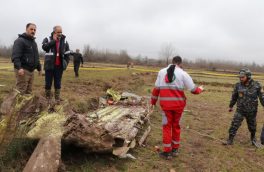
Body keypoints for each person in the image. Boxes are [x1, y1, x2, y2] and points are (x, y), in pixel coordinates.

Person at [151, 56, 204, 159]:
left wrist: (153, 102)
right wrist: (201, 89)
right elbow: (194, 90)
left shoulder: (161, 72)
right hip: (179, 106)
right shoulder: (183, 74)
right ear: (180, 63)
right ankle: (175, 149)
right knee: (176, 126)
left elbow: (156, 90)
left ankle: (167, 152)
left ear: (172, 62)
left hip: (166, 106)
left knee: (167, 127)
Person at [224, 68, 264, 146]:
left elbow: (262, 97)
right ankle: (230, 140)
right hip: (240, 110)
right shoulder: (238, 85)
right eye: (240, 77)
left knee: (252, 127)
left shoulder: (257, 85)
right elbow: (234, 96)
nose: (241, 79)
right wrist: (231, 106)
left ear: (248, 76)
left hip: (252, 111)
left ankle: (253, 139)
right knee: (234, 124)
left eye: (243, 77)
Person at [42, 25, 70, 103]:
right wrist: (53, 41)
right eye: (58, 32)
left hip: (59, 67)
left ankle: (57, 99)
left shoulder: (64, 41)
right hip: (49, 66)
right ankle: (48, 98)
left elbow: (67, 53)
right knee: (48, 83)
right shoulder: (47, 39)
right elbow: (44, 47)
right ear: (54, 32)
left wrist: (66, 63)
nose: (60, 34)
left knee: (58, 83)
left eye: (61, 32)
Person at [12, 23, 41, 94]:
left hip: (31, 71)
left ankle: (26, 105)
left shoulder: (34, 43)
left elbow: (36, 56)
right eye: (31, 29)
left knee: (29, 92)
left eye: (34, 30)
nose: (33, 31)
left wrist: (39, 68)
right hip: (23, 70)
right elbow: (15, 56)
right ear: (26, 29)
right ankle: (16, 105)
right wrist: (19, 68)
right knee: (21, 91)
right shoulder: (20, 41)